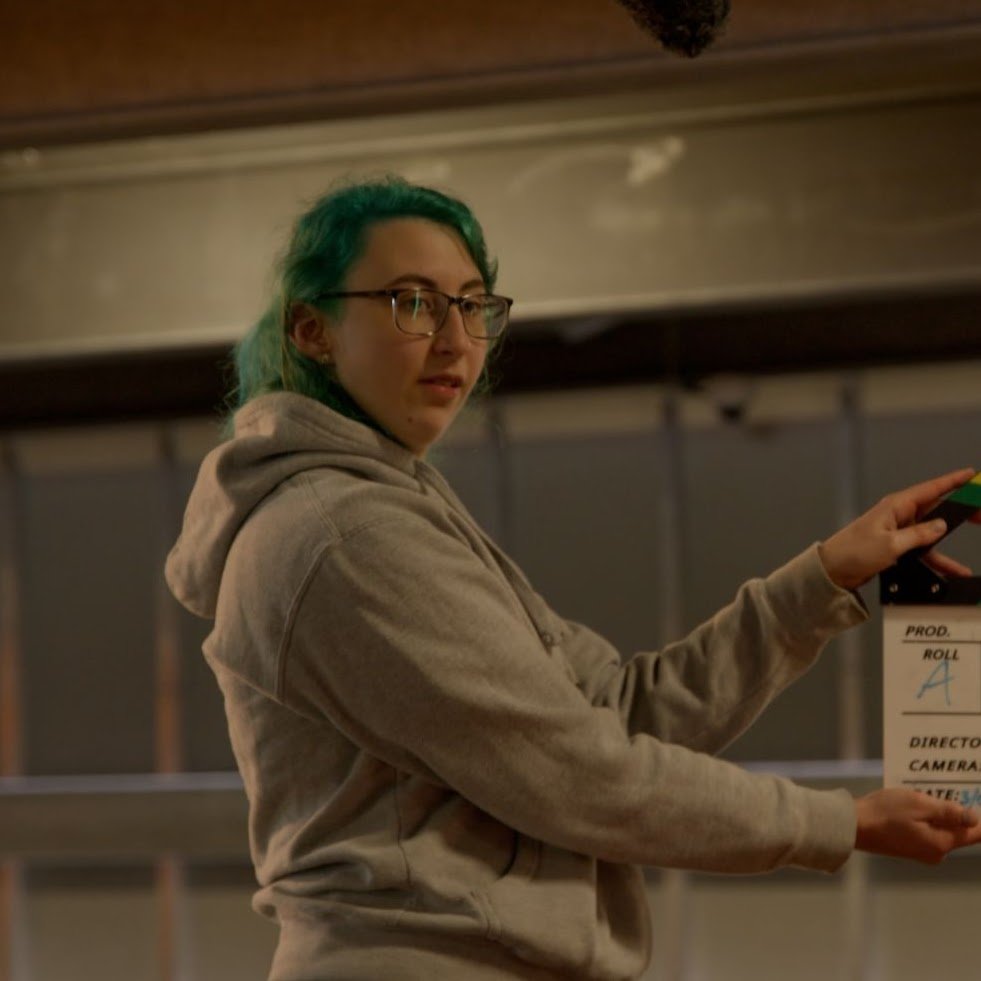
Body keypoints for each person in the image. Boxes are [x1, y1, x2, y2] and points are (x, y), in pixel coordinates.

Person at [165, 176, 981, 981]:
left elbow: (619, 714)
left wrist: (825, 576)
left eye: (472, 304)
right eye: (411, 302)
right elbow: (577, 774)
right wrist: (835, 822)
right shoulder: (346, 532)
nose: (454, 341)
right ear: (312, 329)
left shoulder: (396, 508)